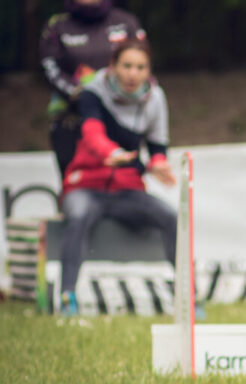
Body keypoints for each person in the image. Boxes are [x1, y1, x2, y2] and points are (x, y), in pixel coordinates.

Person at [59, 38, 176, 315]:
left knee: (172, 217)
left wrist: (159, 164)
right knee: (77, 216)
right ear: (112, 66)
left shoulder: (156, 97)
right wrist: (108, 152)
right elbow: (92, 132)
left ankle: (190, 297)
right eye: (126, 66)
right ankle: (68, 299)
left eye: (140, 67)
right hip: (86, 185)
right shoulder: (92, 92)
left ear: (149, 70)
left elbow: (158, 146)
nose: (133, 74)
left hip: (128, 190)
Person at [40, 0, 146, 180]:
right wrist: (84, 96)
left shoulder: (126, 22)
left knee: (125, 183)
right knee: (76, 189)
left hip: (121, 118)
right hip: (72, 120)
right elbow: (49, 69)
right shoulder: (57, 26)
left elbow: (142, 63)